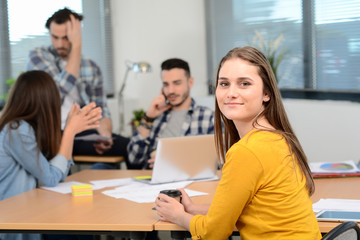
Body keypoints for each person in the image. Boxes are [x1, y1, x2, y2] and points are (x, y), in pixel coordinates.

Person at [155, 47, 322, 239]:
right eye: (224, 84)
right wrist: (192, 209)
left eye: (244, 83)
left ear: (266, 93)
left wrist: (179, 216)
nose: (231, 93)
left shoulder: (248, 151)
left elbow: (213, 232)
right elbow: (242, 207)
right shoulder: (278, 138)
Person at [0, 70, 102, 240]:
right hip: (15, 222)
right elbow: (51, 177)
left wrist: (70, 130)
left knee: (79, 226)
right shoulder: (17, 130)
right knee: (78, 230)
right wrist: (69, 132)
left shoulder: (27, 129)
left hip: (29, 212)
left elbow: (58, 174)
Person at [25, 8, 129, 164]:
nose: (60, 44)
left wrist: (105, 136)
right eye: (55, 37)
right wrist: (77, 48)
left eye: (66, 38)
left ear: (76, 34)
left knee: (130, 146)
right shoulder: (38, 56)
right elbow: (56, 93)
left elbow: (101, 109)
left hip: (81, 133)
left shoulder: (92, 67)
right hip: (49, 134)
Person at [127, 58, 215, 169]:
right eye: (166, 85)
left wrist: (173, 163)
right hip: (151, 181)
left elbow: (218, 163)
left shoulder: (208, 117)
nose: (170, 90)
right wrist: (148, 118)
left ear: (190, 82)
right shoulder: (155, 117)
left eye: (177, 83)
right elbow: (133, 159)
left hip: (189, 182)